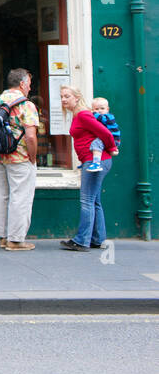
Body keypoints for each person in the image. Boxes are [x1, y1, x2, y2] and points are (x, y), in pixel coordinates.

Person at [59, 86, 117, 251]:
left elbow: (106, 133)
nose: (63, 99)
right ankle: (97, 239)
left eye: (67, 96)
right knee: (94, 201)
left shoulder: (83, 114)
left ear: (77, 98)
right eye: (62, 96)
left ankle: (82, 240)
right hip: (93, 161)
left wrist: (112, 148)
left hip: (95, 162)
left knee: (86, 201)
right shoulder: (78, 115)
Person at [0, 68, 40, 251]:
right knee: (21, 197)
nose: (30, 88)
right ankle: (16, 240)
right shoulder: (26, 105)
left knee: (1, 195)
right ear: (22, 84)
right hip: (19, 157)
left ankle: (2, 236)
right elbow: (31, 136)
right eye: (29, 85)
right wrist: (32, 158)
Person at [88, 96, 121, 172]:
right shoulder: (99, 116)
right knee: (93, 144)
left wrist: (93, 114)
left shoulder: (109, 117)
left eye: (102, 108)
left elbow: (103, 120)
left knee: (96, 143)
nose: (99, 111)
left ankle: (96, 164)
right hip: (107, 138)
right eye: (96, 109)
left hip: (113, 138)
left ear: (107, 109)